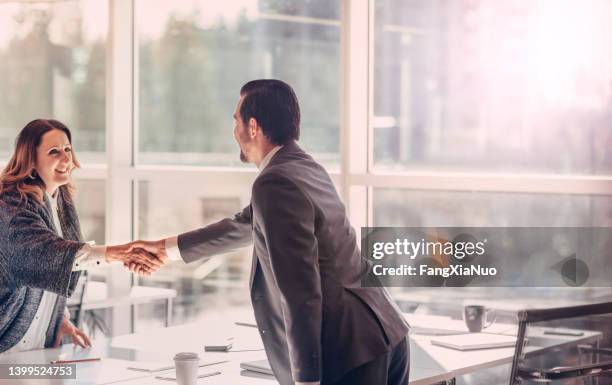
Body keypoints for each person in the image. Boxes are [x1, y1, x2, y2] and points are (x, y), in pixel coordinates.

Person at [129, 80, 410, 385]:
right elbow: (244, 224)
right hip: (383, 333)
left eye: (235, 121)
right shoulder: (303, 166)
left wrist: (306, 378)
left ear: (252, 127)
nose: (233, 131)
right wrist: (165, 249)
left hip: (350, 351)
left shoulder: (274, 183)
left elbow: (299, 289)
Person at [0, 119, 162, 354]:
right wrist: (115, 253)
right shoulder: (10, 207)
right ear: (30, 160)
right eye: (54, 152)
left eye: (67, 149)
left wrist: (59, 318)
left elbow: (54, 272)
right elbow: (46, 254)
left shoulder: (60, 200)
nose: (66, 159)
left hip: (34, 348)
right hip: (6, 349)